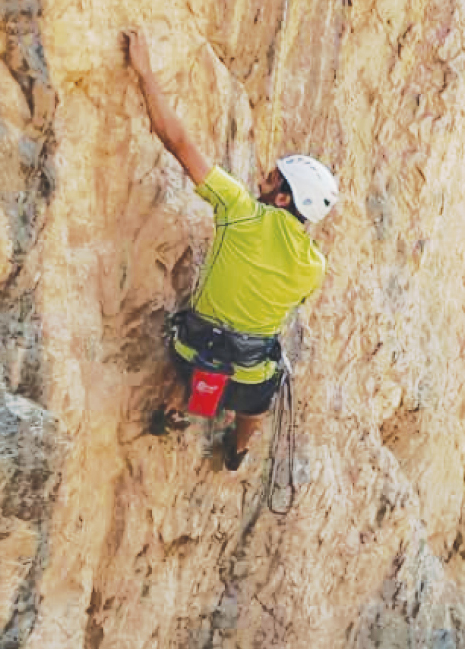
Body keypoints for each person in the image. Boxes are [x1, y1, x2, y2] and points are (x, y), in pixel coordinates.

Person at [125, 30, 338, 471]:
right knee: (259, 395)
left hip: (193, 352)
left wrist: (145, 72)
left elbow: (178, 142)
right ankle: (238, 450)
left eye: (272, 178)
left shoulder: (238, 208)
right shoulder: (314, 266)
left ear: (282, 198)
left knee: (198, 352)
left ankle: (177, 406)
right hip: (248, 372)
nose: (262, 177)